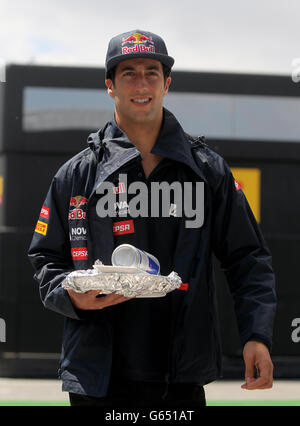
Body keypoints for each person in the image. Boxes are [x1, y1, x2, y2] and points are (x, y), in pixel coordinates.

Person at [28, 29, 277, 408]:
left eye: (151, 72)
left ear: (167, 84)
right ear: (110, 86)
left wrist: (256, 334)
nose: (140, 83)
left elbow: (249, 259)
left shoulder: (208, 171)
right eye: (128, 72)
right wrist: (71, 295)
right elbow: (46, 260)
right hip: (97, 379)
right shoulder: (76, 175)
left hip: (180, 378)